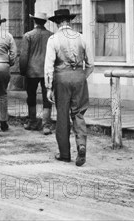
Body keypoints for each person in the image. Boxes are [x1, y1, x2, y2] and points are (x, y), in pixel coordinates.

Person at [44, 9, 94, 167]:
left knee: (62, 115)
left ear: (57, 22)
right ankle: (81, 145)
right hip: (79, 77)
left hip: (61, 79)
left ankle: (64, 153)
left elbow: (49, 66)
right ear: (69, 21)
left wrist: (49, 87)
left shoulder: (53, 39)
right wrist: (80, 77)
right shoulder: (81, 37)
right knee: (78, 113)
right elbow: (91, 64)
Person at [19, 12, 53, 134]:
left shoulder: (28, 35)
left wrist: (23, 70)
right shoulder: (51, 35)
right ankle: (46, 125)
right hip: (46, 71)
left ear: (34, 21)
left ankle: (32, 121)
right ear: (45, 22)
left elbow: (24, 56)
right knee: (47, 97)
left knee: (31, 96)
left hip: (31, 71)